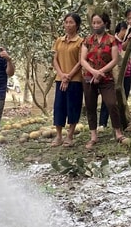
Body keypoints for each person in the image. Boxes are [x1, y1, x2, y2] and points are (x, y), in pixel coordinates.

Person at [80, 12, 127, 149]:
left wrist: (101, 72)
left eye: (98, 22)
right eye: (93, 23)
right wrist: (94, 72)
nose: (95, 25)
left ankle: (118, 132)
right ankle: (93, 135)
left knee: (112, 104)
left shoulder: (111, 40)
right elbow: (82, 60)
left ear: (105, 23)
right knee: (90, 106)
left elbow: (115, 59)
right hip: (89, 77)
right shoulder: (87, 40)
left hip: (106, 78)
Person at [51, 13, 83, 147]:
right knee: (59, 107)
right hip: (60, 78)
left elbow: (81, 61)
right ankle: (58, 136)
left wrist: (69, 76)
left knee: (73, 107)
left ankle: (70, 135)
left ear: (77, 25)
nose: (68, 25)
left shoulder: (81, 42)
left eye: (71, 22)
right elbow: (55, 59)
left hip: (75, 80)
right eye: (66, 22)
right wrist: (62, 75)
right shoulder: (59, 40)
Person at [98, 21, 130, 130]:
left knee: (123, 97)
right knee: (108, 99)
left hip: (127, 74)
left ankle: (122, 122)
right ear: (122, 30)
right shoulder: (111, 41)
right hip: (112, 75)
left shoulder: (127, 41)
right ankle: (102, 122)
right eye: (126, 30)